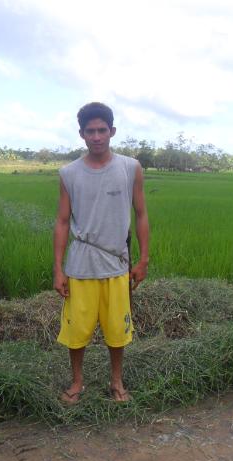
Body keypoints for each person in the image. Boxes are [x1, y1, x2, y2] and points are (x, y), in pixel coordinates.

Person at [53, 102, 149, 404]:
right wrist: (58, 269)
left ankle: (116, 381)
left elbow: (141, 214)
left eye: (102, 130)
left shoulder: (130, 168)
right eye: (90, 131)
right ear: (81, 134)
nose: (96, 136)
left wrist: (143, 260)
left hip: (117, 264)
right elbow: (62, 221)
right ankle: (77, 382)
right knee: (77, 330)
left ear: (112, 131)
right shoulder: (69, 173)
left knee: (117, 330)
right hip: (80, 265)